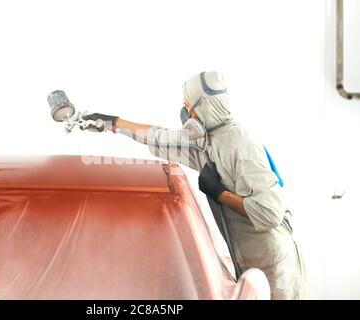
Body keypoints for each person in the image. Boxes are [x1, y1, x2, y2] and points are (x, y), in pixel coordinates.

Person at [82, 71, 309, 299]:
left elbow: (269, 213)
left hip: (276, 266)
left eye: (187, 105)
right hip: (252, 261)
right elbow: (159, 137)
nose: (185, 112)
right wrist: (113, 123)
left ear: (204, 107)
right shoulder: (208, 142)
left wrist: (219, 194)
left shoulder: (240, 144)